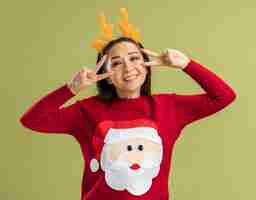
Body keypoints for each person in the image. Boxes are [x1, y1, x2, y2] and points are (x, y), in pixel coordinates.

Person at [19, 8, 236, 200]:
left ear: (146, 65)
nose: (128, 67)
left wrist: (186, 64)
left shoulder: (169, 107)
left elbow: (223, 96)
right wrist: (71, 89)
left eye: (134, 58)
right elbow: (32, 120)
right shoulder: (87, 110)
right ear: (107, 76)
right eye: (116, 63)